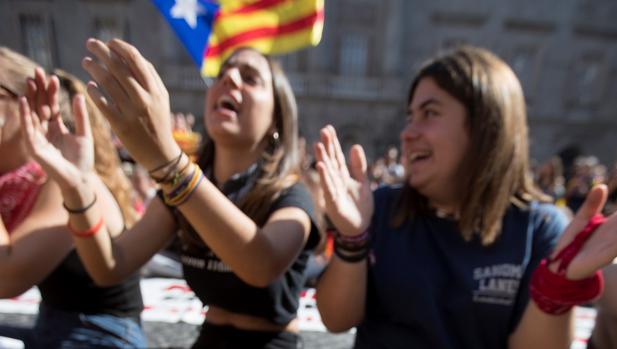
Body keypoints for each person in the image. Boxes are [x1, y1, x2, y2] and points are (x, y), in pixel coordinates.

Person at [20, 38, 320, 349]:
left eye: (250, 77)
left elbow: (262, 265)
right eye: (222, 74)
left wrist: (167, 162)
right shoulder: (178, 193)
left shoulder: (291, 195)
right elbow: (110, 267)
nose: (229, 79)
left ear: (276, 117)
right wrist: (77, 185)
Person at [314, 46, 617, 348]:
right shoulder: (380, 207)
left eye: (429, 113)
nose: (408, 132)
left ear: (487, 126)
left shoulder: (537, 228)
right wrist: (352, 239)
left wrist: (556, 287)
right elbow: (337, 319)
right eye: (410, 116)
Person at [0, 47, 145, 348]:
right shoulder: (25, 180)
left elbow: (5, 276)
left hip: (101, 334)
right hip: (57, 324)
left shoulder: (61, 177)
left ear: (20, 104)